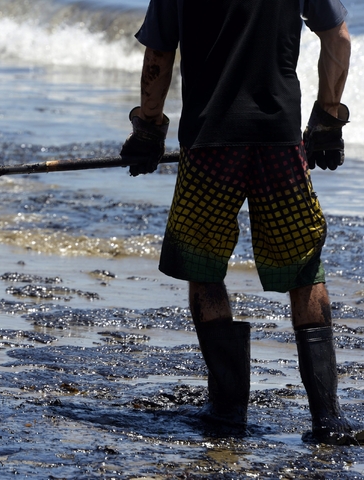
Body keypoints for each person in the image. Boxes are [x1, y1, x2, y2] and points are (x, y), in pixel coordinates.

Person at [121, 0, 361, 445]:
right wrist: (329, 117)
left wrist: (147, 129)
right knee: (304, 269)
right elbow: (338, 37)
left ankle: (229, 410)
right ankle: (327, 419)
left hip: (210, 141)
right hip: (280, 141)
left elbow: (158, 54)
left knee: (203, 267)